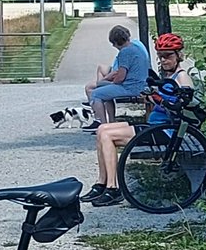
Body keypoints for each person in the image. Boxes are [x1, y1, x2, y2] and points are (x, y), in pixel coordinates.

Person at [81, 33, 192, 207]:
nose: (163, 60)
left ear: (179, 55)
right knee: (102, 129)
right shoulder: (170, 77)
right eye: (160, 56)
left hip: (166, 132)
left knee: (108, 135)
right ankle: (102, 182)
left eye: (168, 55)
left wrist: (157, 98)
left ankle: (113, 188)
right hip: (155, 126)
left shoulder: (182, 77)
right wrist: (152, 97)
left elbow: (180, 107)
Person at [82, 24, 150, 129]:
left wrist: (111, 82)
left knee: (96, 94)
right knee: (104, 89)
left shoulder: (125, 52)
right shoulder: (136, 47)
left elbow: (120, 77)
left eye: (113, 44)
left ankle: (103, 125)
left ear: (116, 42)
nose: (114, 46)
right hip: (142, 85)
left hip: (131, 87)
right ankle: (112, 122)